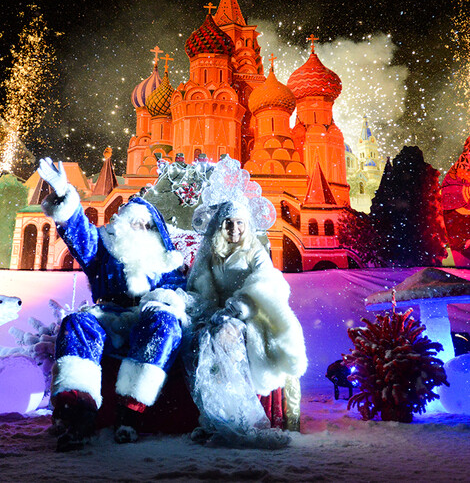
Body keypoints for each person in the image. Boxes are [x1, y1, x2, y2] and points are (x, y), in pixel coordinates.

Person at [38, 158, 186, 451]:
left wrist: (160, 304)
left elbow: (176, 294)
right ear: (121, 223)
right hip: (106, 315)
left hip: (145, 318)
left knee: (166, 323)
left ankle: (130, 413)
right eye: (134, 222)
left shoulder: (165, 261)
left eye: (146, 225)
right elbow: (78, 231)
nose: (140, 228)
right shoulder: (103, 249)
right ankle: (76, 414)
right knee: (76, 324)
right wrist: (62, 191)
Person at [184, 200, 307, 448]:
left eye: (240, 222)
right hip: (218, 314)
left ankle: (241, 418)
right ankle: (215, 417)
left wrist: (241, 306)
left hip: (252, 315)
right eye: (229, 223)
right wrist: (210, 311)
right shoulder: (212, 255)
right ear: (220, 226)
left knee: (224, 336)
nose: (234, 228)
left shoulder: (255, 251)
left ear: (247, 225)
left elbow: (266, 283)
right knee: (203, 339)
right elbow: (200, 287)